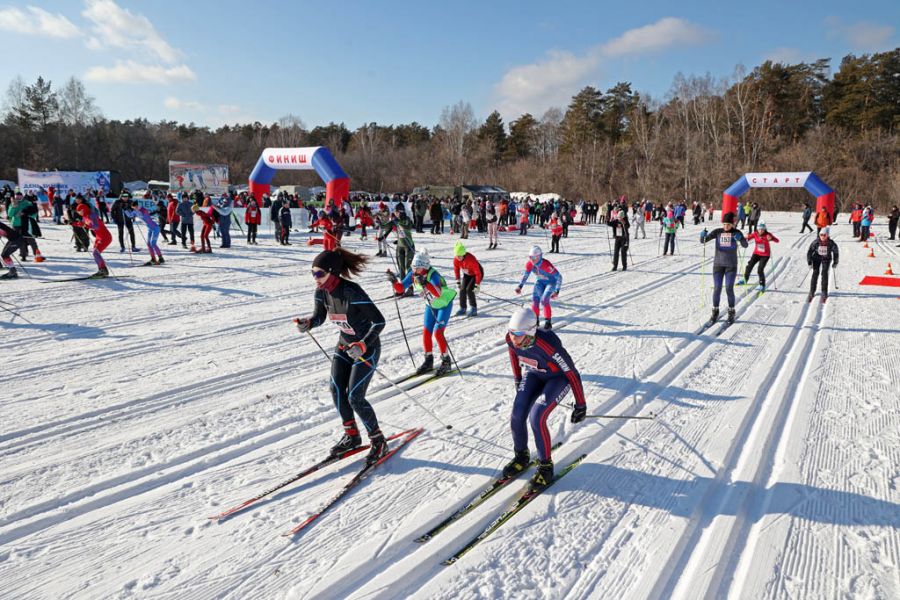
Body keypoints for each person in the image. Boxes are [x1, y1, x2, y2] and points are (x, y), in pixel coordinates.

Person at [294, 248, 389, 463]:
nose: (315, 278)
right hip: (344, 346)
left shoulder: (351, 291)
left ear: (332, 271)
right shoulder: (321, 292)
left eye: (319, 274)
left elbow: (379, 321)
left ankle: (378, 440)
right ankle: (352, 436)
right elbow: (320, 317)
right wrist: (308, 323)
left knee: (355, 396)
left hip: (367, 348)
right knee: (336, 389)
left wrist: (363, 345)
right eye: (312, 273)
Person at [502, 308, 587, 491]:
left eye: (518, 334)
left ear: (531, 331)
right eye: (511, 332)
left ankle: (546, 468)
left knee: (537, 417)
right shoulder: (511, 339)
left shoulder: (548, 344)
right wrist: (518, 379)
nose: (513, 339)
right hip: (534, 375)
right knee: (517, 414)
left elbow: (571, 373)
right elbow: (513, 354)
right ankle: (521, 456)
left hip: (557, 379)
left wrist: (581, 404)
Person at [387, 250, 457, 376]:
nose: (414, 270)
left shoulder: (433, 275)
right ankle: (428, 360)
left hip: (444, 304)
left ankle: (446, 361)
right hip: (431, 305)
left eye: (417, 267)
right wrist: (393, 281)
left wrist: (425, 283)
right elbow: (400, 289)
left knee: (438, 332)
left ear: (424, 266)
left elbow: (438, 293)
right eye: (413, 267)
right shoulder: (413, 274)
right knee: (426, 332)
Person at [700, 212, 748, 324]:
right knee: (717, 288)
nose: (726, 226)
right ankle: (715, 311)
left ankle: (731, 311)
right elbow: (703, 241)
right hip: (718, 265)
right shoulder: (718, 232)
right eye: (724, 224)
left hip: (731, 266)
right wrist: (702, 235)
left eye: (728, 224)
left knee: (729, 288)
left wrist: (740, 238)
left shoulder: (736, 232)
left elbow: (745, 245)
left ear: (732, 224)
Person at [515, 245, 562, 331]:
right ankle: (535, 321)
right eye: (530, 257)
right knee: (535, 300)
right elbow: (526, 275)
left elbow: (559, 277)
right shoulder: (529, 264)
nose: (532, 259)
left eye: (534, 257)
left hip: (550, 282)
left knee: (544, 300)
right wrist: (520, 286)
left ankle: (548, 322)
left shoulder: (546, 265)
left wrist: (557, 291)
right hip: (540, 282)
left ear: (540, 256)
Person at [72, 196, 112, 278]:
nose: (78, 213)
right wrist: (71, 223)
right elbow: (82, 224)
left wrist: (85, 225)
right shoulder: (85, 216)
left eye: (79, 211)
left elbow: (96, 226)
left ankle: (103, 270)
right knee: (95, 253)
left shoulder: (92, 215)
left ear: (83, 210)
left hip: (105, 237)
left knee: (95, 253)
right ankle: (102, 269)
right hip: (99, 237)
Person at [740, 221, 779, 291]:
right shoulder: (755, 234)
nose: (761, 231)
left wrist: (771, 238)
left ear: (765, 229)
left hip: (765, 255)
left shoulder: (768, 234)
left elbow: (777, 241)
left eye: (762, 229)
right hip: (756, 253)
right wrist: (746, 237)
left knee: (760, 270)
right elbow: (748, 238)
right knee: (749, 266)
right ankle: (745, 279)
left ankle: (762, 285)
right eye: (759, 229)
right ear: (757, 229)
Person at [126, 201, 165, 265]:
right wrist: (125, 210)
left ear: (137, 206)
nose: (135, 209)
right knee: (148, 244)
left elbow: (143, 214)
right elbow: (130, 216)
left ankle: (161, 258)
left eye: (135, 207)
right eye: (133, 208)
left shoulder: (143, 209)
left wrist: (135, 212)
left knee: (153, 244)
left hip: (155, 228)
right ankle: (153, 259)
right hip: (150, 229)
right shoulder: (135, 211)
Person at [806, 227, 839, 303]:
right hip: (816, 258)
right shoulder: (816, 242)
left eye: (824, 235)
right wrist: (809, 262)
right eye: (821, 235)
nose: (822, 236)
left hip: (826, 259)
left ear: (827, 235)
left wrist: (835, 262)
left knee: (824, 274)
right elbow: (810, 251)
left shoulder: (831, 243)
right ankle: (812, 290)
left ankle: (824, 291)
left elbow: (836, 252)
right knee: (815, 273)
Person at [453, 241, 483, 317]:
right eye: (457, 256)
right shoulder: (456, 260)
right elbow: (456, 269)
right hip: (467, 274)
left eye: (460, 256)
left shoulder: (471, 259)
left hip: (477, 274)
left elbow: (478, 273)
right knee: (462, 289)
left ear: (464, 254)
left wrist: (477, 285)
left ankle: (474, 308)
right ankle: (462, 308)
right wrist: (458, 280)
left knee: (469, 289)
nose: (458, 258)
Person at [608, 206, 630, 271]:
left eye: (620, 217)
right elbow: (610, 223)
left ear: (623, 217)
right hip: (618, 238)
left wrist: (624, 223)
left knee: (623, 252)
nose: (619, 219)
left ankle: (624, 266)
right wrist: (607, 220)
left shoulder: (625, 221)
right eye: (618, 217)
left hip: (625, 239)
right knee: (616, 252)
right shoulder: (616, 221)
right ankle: (615, 266)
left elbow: (628, 226)